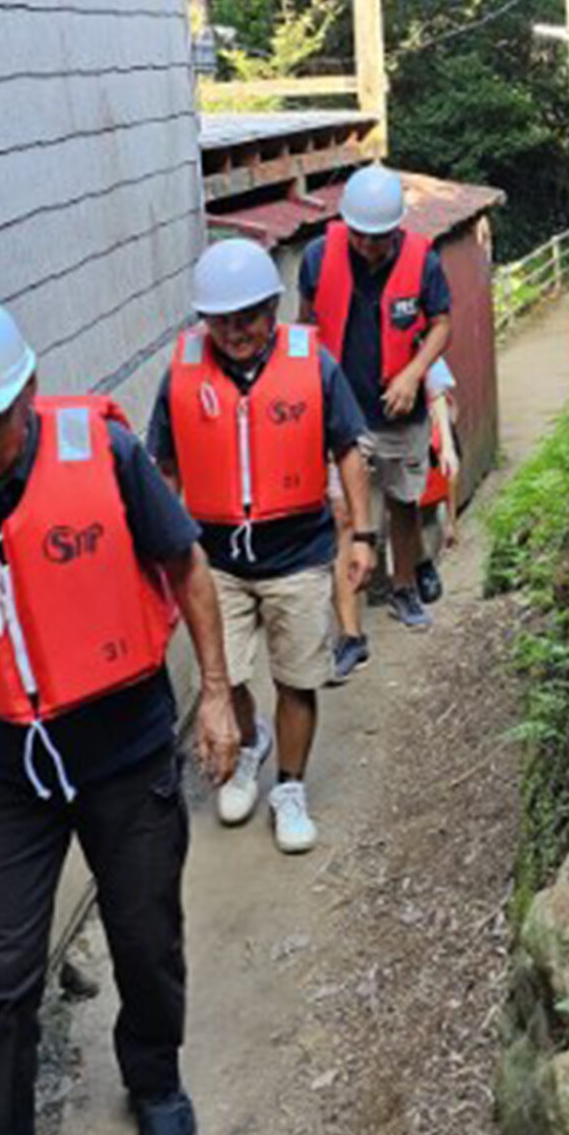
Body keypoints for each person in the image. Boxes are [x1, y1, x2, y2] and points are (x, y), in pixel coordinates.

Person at [0, 289, 239, 1135]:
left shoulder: (106, 452)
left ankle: (153, 1074)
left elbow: (185, 564)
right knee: (2, 968)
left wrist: (218, 696)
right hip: (7, 761)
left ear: (27, 389)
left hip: (121, 743)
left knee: (144, 933)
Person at [149, 239, 374, 853]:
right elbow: (163, 470)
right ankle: (251, 745)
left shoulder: (315, 366)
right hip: (213, 559)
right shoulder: (180, 377)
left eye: (247, 317)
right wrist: (159, 556)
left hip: (297, 552)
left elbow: (350, 449)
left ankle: (291, 787)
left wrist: (363, 534)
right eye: (220, 320)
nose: (235, 331)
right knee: (230, 676)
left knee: (298, 677)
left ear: (272, 308)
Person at [298, 164, 454, 644]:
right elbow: (304, 327)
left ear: (395, 229)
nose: (368, 246)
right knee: (344, 514)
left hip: (396, 410)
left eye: (379, 237)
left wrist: (413, 373)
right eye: (361, 236)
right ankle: (349, 632)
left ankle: (404, 586)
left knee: (404, 503)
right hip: (340, 414)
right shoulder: (318, 257)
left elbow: (441, 323)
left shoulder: (422, 261)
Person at [413, 357, 463, 605]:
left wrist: (452, 521)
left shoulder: (425, 347)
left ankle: (425, 566)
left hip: (427, 432)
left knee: (427, 513)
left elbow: (443, 396)